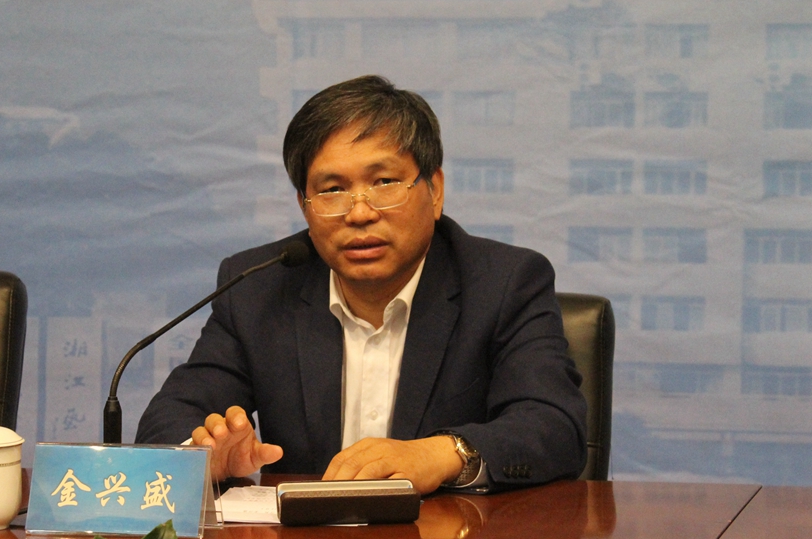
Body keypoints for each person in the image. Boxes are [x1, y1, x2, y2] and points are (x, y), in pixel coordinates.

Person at [136, 75, 587, 494]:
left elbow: (553, 424)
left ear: (435, 190)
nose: (359, 213)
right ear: (305, 206)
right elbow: (169, 420)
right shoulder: (259, 288)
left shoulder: (504, 283)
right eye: (332, 190)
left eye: (384, 182)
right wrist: (204, 457)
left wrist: (442, 453)